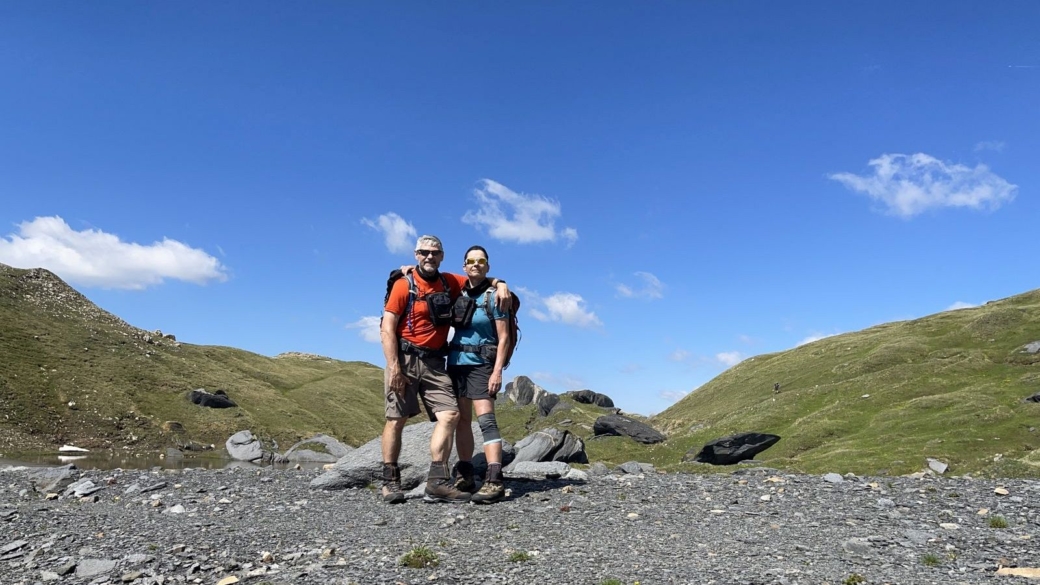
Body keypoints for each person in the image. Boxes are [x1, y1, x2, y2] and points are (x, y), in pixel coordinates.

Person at [379, 235, 509, 504]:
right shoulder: (404, 286)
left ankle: (437, 482)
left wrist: (501, 283)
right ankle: (390, 481)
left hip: (437, 362)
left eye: (435, 253)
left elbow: (479, 279)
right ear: (416, 254)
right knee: (396, 418)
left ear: (442, 257)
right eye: (424, 252)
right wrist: (393, 367)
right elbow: (387, 327)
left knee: (450, 415)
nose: (430, 257)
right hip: (404, 360)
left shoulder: (450, 281)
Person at [446, 245, 511, 504]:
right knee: (462, 421)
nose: (475, 264)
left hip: (482, 364)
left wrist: (497, 371)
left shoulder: (495, 296)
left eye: (481, 261)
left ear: (488, 266)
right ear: (464, 266)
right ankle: (466, 475)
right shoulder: (456, 291)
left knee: (486, 420)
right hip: (456, 362)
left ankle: (494, 478)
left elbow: (504, 337)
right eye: (471, 261)